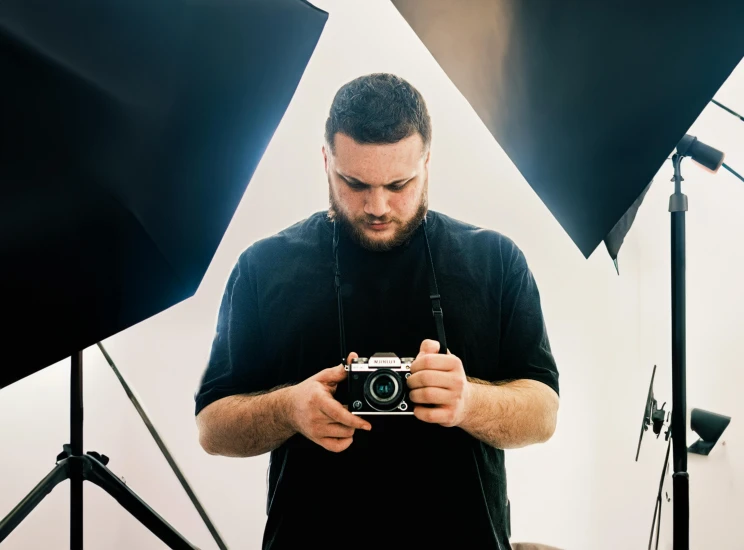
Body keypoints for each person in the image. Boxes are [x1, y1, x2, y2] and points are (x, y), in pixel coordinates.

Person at [194, 73, 560, 550]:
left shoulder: (495, 260)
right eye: (354, 183)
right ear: (326, 159)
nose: (378, 205)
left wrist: (468, 402)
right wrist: (288, 408)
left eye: (399, 183)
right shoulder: (264, 266)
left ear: (427, 161)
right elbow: (212, 427)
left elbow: (544, 413)